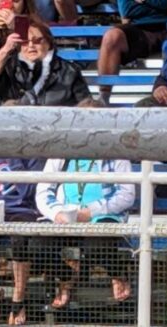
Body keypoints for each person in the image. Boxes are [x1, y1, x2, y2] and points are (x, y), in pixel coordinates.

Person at [35, 101, 136, 310]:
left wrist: (92, 211)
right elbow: (43, 191)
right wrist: (56, 213)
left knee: (96, 245)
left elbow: (127, 195)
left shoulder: (115, 150)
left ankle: (118, 275)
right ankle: (66, 277)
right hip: (65, 217)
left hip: (102, 216)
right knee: (37, 245)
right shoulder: (61, 151)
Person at [0, 154, 45, 325]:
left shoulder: (33, 156)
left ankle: (18, 300)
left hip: (25, 210)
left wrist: (15, 161)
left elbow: (30, 192)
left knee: (19, 240)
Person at [0, 18, 91, 105]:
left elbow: (84, 105)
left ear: (49, 43)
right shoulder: (12, 68)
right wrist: (6, 48)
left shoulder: (69, 71)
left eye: (37, 41)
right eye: (24, 42)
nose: (31, 46)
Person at [95, 0, 167, 104]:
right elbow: (128, 10)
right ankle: (103, 98)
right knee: (111, 37)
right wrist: (160, 6)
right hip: (140, 30)